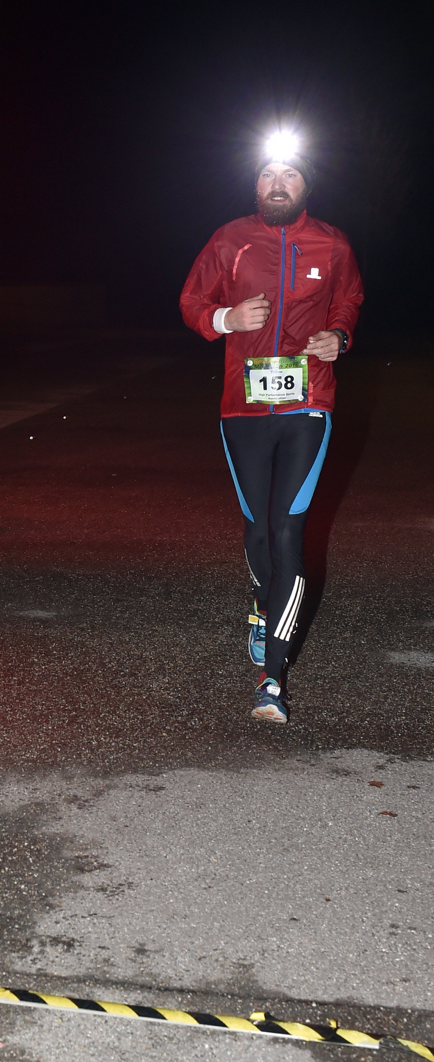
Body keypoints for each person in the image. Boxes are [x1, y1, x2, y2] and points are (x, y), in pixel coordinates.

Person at [179, 135, 363, 724]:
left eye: (290, 173)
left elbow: (348, 301)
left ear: (307, 185)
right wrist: (226, 317)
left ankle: (273, 680)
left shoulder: (332, 243)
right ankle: (264, 608)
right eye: (267, 173)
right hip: (242, 406)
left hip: (309, 401)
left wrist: (340, 337)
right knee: (258, 532)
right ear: (255, 185)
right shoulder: (229, 239)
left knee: (288, 533)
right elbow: (190, 302)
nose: (277, 182)